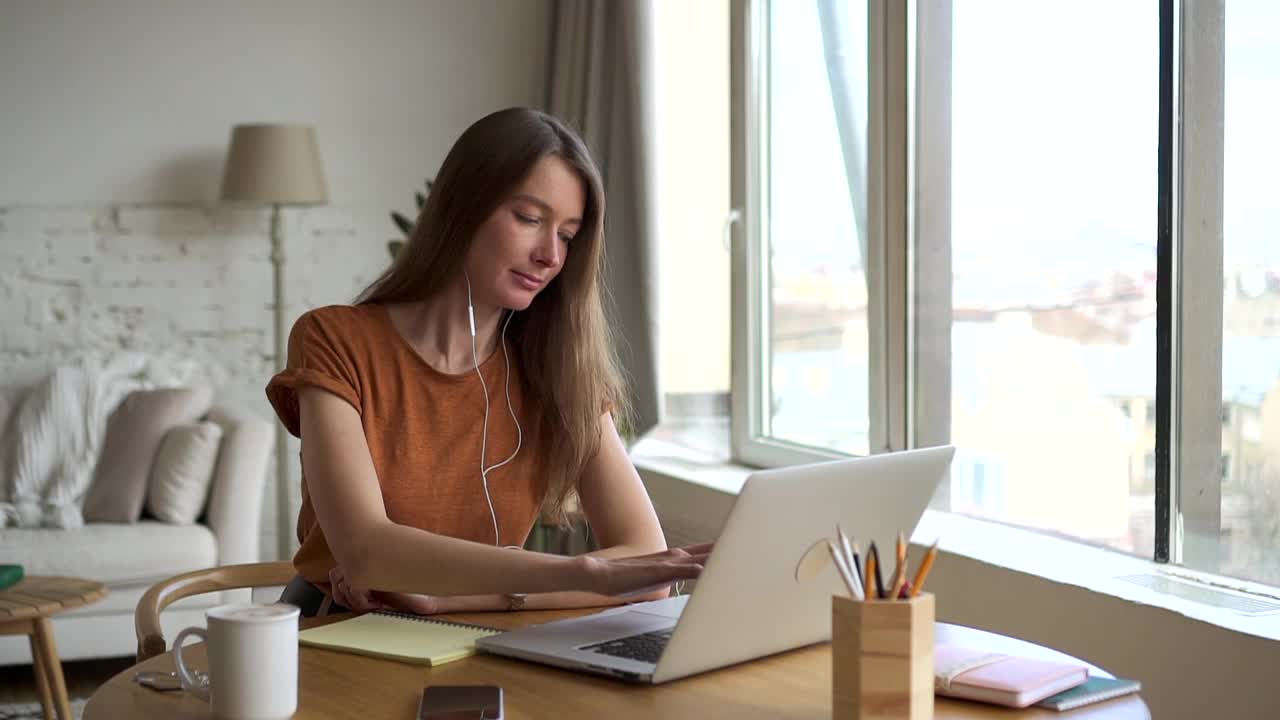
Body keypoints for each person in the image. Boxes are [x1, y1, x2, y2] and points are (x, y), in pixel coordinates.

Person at [267, 107, 707, 617]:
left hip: (480, 632)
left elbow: (646, 569)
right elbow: (367, 552)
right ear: (463, 208)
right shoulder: (336, 340)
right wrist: (588, 572)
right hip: (335, 632)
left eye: (567, 234)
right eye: (529, 219)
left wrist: (448, 598)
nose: (550, 256)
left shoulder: (556, 368)